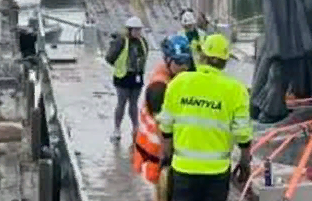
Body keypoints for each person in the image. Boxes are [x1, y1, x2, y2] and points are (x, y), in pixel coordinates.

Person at [158, 33, 252, 201]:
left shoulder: (179, 83)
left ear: (202, 56)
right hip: (216, 172)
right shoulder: (236, 90)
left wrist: (165, 157)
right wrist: (245, 162)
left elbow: (166, 126)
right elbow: (243, 133)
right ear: (225, 61)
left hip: (183, 169)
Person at [133, 34, 194, 192]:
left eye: (186, 62)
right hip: (154, 157)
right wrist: (168, 155)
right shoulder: (159, 87)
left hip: (158, 154)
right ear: (167, 60)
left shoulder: (176, 79)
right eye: (178, 62)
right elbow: (162, 125)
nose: (184, 67)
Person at [104, 15, 149, 141]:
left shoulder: (142, 42)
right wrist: (120, 66)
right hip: (123, 77)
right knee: (121, 103)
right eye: (135, 30)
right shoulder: (121, 41)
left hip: (137, 77)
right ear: (129, 30)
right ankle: (117, 129)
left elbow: (145, 55)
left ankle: (135, 127)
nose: (138, 32)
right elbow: (109, 57)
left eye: (139, 30)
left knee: (134, 103)